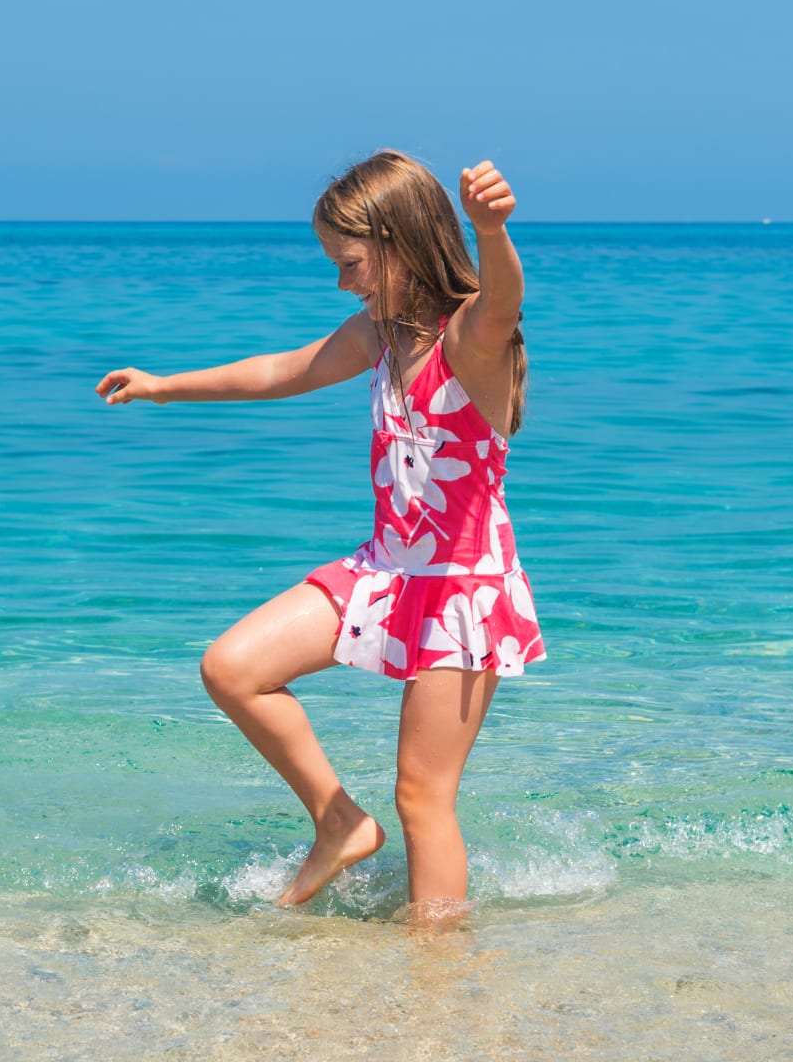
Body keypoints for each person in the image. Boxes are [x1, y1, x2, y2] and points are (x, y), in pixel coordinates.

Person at [97, 151, 545, 920]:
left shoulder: (470, 338)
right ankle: (339, 822)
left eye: (351, 262)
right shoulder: (382, 334)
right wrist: (166, 386)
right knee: (232, 667)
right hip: (385, 570)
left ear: (402, 242)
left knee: (422, 795)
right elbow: (283, 370)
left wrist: (492, 230)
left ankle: (436, 970)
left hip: (460, 590)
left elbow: (503, 299)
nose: (343, 281)